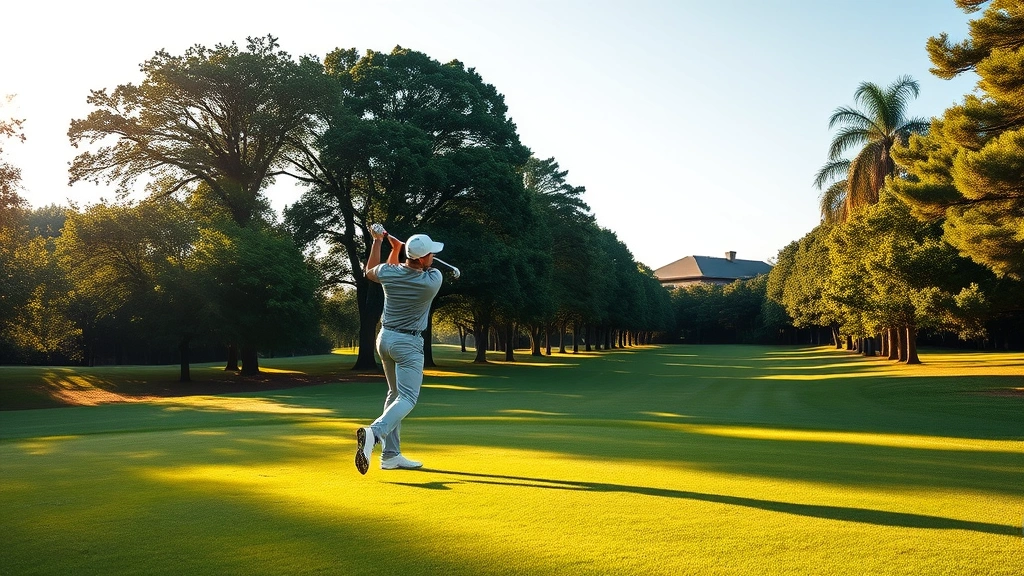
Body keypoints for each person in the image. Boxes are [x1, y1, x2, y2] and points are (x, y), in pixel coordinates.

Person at [355, 227, 445, 474]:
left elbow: (370, 272)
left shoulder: (389, 273)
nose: (434, 258)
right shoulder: (432, 279)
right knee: (407, 398)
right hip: (409, 344)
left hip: (384, 339)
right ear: (423, 258)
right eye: (431, 254)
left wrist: (381, 244)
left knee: (394, 394)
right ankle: (375, 433)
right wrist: (397, 248)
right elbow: (414, 268)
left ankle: (391, 456)